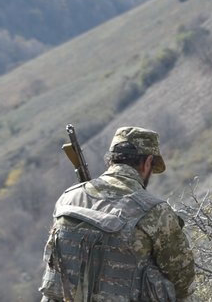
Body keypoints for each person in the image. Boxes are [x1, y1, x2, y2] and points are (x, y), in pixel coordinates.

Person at [39, 126, 195, 301]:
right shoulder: (155, 212)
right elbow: (183, 283)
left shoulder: (67, 199)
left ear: (110, 161)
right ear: (148, 162)